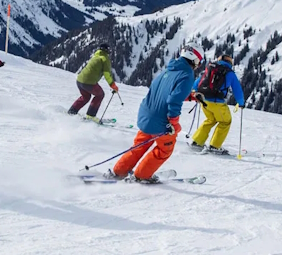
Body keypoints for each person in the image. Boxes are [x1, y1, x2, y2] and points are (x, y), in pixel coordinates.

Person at [105, 43, 204, 184]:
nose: (198, 65)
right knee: (164, 149)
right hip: (160, 120)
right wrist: (173, 123)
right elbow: (174, 99)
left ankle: (119, 171)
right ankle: (141, 176)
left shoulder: (169, 69)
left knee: (139, 146)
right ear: (195, 59)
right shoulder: (187, 74)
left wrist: (190, 96)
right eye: (199, 62)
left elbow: (166, 92)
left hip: (146, 114)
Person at [188, 55, 245, 155]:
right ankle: (215, 146)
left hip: (203, 99)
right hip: (217, 102)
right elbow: (237, 89)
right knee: (225, 122)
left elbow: (198, 82)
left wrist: (195, 92)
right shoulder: (229, 73)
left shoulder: (210, 68)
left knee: (210, 120)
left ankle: (197, 142)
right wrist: (241, 103)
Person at [68, 43, 118, 123]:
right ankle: (91, 116)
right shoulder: (105, 59)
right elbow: (107, 74)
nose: (110, 51)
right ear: (106, 50)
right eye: (108, 49)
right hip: (89, 83)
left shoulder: (95, 56)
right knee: (100, 95)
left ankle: (72, 111)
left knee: (86, 97)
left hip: (79, 81)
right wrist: (113, 85)